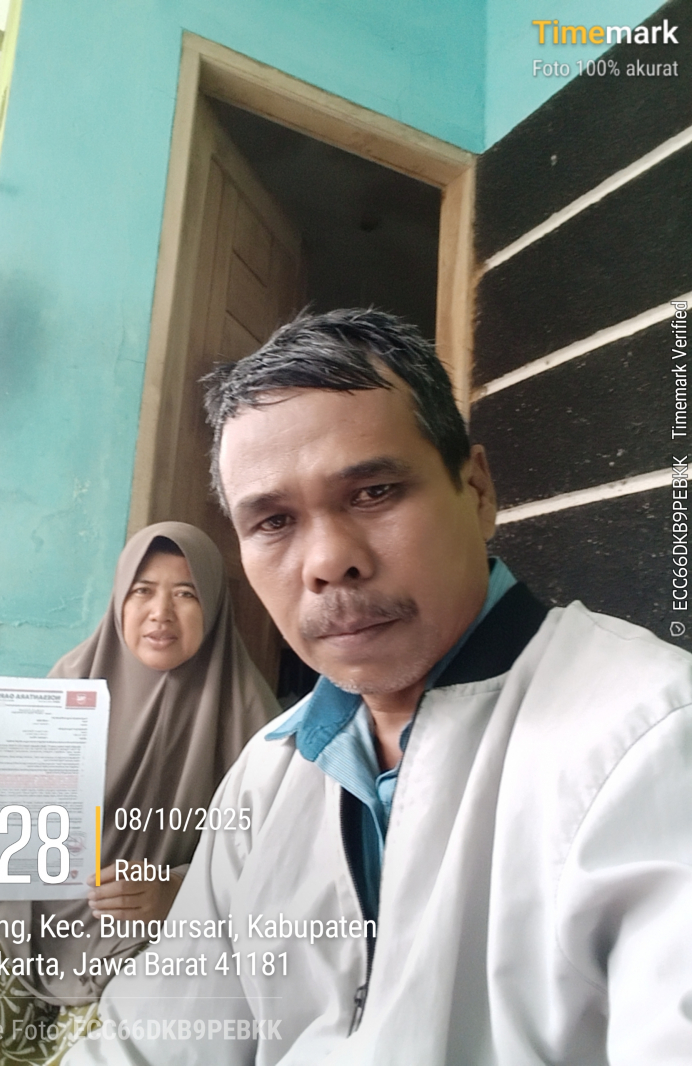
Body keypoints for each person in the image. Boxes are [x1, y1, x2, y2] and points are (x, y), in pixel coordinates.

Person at [63, 308, 692, 1066]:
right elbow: (152, 1040)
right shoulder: (269, 773)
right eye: (274, 522)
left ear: (478, 491)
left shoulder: (651, 740)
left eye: (374, 492)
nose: (328, 561)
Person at [0, 522, 278, 1066]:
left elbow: (271, 867)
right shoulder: (73, 679)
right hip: (27, 920)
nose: (160, 613)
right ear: (120, 599)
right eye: (142, 591)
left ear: (214, 605)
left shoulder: (255, 723)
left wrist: (176, 892)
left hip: (147, 937)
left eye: (185, 594)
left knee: (100, 1054)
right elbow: (16, 825)